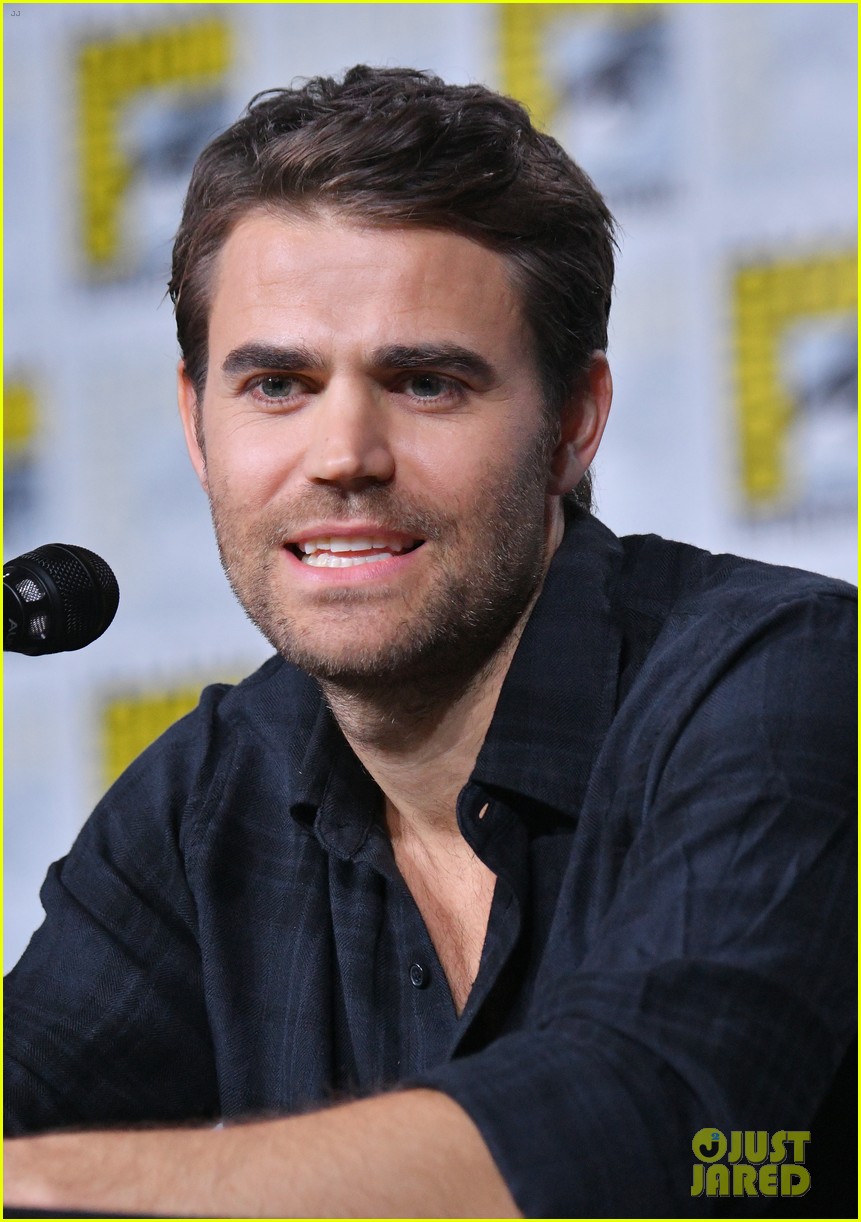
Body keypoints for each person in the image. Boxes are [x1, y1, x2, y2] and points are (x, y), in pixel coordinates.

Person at [4, 65, 856, 1219]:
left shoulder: (785, 681)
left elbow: (653, 1132)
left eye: (424, 383)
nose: (343, 454)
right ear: (196, 427)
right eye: (278, 384)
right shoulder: (210, 793)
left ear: (573, 423)